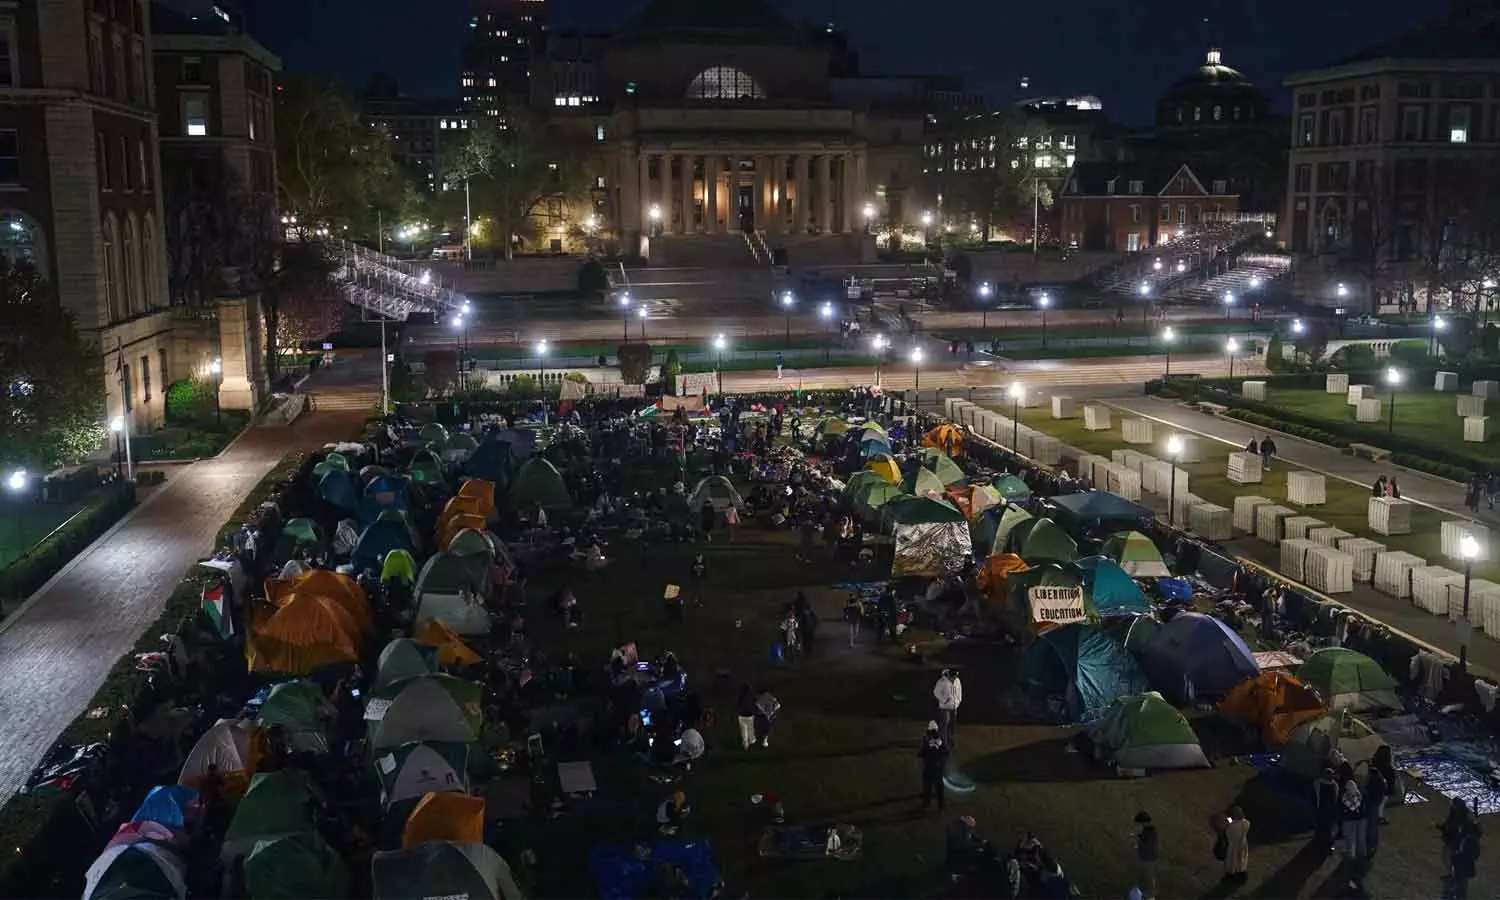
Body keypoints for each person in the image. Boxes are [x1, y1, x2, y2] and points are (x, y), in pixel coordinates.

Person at [918, 721, 950, 812]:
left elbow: (921, 753)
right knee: (939, 788)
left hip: (929, 768)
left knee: (927, 787)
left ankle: (926, 803)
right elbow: (947, 752)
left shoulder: (927, 740)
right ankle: (941, 806)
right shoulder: (942, 740)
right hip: (939, 768)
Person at [1442, 797, 1474, 877]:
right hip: (1456, 840)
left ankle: (1452, 874)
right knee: (1449, 857)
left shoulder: (1457, 816)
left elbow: (1450, 827)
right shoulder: (1462, 814)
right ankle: (1452, 873)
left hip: (1455, 840)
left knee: (1448, 856)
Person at [1339, 764, 1366, 860]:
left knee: (1350, 838)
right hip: (1360, 819)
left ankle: (1351, 855)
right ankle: (1361, 854)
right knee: (1359, 838)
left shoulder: (1345, 797)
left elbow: (1350, 807)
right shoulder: (1359, 794)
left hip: (1349, 819)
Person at [1452, 819, 1482, 900]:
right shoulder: (1473, 839)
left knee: (1460, 886)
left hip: (1460, 865)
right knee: (1463, 886)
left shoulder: (1464, 839)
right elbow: (1476, 855)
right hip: (1467, 865)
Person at [933, 668, 963, 747]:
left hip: (954, 706)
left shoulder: (957, 680)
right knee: (945, 723)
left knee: (952, 725)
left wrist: (959, 700)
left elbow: (959, 690)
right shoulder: (941, 682)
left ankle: (949, 740)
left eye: (956, 676)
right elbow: (936, 692)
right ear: (949, 675)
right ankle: (943, 741)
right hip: (944, 707)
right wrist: (944, 700)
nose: (954, 678)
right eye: (953, 676)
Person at [1219, 806, 1250, 882]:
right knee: (1241, 860)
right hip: (1243, 844)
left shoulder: (1233, 826)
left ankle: (1230, 876)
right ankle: (1243, 875)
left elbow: (1228, 833)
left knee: (1231, 861)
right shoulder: (1246, 822)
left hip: (1234, 846)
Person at [1313, 767, 1341, 852]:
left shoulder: (1334, 785)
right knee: (1322, 826)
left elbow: (1336, 796)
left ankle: (1327, 844)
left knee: (1328, 828)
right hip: (1322, 808)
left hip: (1329, 809)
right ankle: (1319, 843)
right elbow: (1316, 795)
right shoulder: (1318, 783)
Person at [1134, 811, 1159, 900]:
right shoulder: (1147, 831)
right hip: (1145, 859)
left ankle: (1150, 897)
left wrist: (1140, 836)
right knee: (1144, 879)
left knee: (1148, 879)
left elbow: (1147, 844)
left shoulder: (1150, 832)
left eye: (1139, 824)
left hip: (1148, 860)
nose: (1137, 826)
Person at [1370, 744, 1397, 823]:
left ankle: (1378, 816)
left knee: (1378, 804)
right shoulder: (1388, 768)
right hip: (1385, 789)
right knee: (1381, 803)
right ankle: (1379, 817)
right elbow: (1391, 780)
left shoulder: (1374, 764)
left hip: (1376, 788)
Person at [735, 683, 758, 750]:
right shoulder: (752, 696)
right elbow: (755, 704)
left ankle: (745, 744)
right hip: (750, 714)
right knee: (750, 728)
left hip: (741, 714)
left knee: (743, 730)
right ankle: (751, 742)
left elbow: (737, 704)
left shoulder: (740, 696)